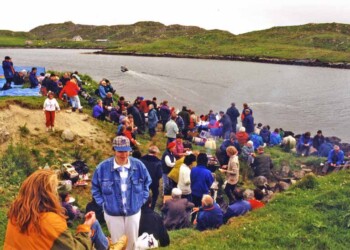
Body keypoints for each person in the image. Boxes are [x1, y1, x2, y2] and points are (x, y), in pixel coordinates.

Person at [4, 169, 108, 250]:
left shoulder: (16, 215)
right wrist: (85, 228)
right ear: (48, 194)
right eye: (54, 190)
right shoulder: (49, 220)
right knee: (93, 225)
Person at [91, 136, 151, 250]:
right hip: (112, 213)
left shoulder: (139, 165)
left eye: (126, 151)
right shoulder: (102, 168)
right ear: (114, 150)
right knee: (117, 243)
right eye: (120, 151)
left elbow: (147, 183)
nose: (124, 154)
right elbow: (95, 188)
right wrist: (103, 204)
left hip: (133, 211)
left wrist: (141, 201)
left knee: (132, 243)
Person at [140, 145, 162, 210]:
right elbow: (159, 174)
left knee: (143, 194)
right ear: (156, 153)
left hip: (144, 180)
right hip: (154, 182)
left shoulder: (141, 159)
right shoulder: (158, 162)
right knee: (155, 194)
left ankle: (142, 207)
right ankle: (151, 208)